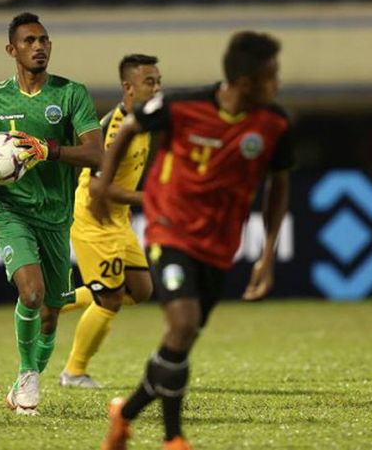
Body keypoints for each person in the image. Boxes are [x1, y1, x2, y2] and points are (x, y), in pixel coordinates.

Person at [91, 31, 294, 450]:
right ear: (245, 80)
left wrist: (268, 253)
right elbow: (129, 126)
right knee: (181, 325)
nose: (277, 83)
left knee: (178, 344)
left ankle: (125, 414)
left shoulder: (273, 124)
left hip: (219, 246)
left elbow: (279, 185)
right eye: (271, 75)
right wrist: (102, 185)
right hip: (170, 230)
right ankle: (174, 438)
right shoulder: (184, 105)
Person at [0, 12, 102, 415]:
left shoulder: (71, 94)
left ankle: (29, 377)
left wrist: (48, 150)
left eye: (44, 40)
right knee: (33, 293)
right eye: (29, 41)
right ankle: (27, 374)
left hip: (56, 215)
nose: (39, 46)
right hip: (11, 211)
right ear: (12, 50)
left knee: (51, 312)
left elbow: (97, 155)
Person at [58, 54, 161, 388]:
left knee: (142, 290)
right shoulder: (114, 130)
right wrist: (151, 200)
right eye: (150, 82)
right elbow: (99, 189)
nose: (157, 88)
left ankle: (54, 303)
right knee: (110, 301)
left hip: (119, 220)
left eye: (159, 81)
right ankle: (73, 372)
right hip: (95, 220)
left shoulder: (145, 120)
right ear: (128, 87)